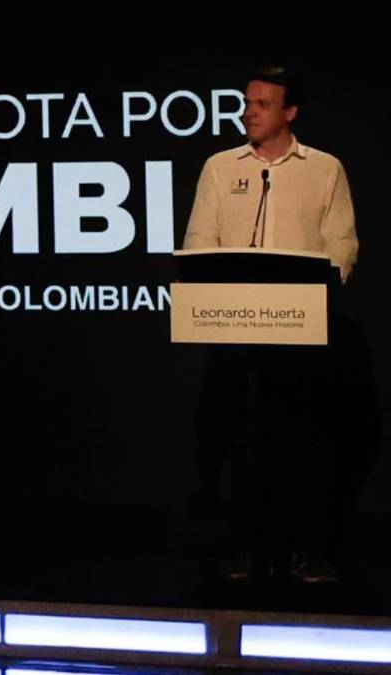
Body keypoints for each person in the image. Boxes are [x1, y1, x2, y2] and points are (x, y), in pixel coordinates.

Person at [183, 66, 358, 584]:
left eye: (261, 104)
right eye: (246, 102)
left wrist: (320, 289)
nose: (249, 112)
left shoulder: (324, 168)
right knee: (242, 441)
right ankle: (247, 548)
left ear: (290, 112)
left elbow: (342, 241)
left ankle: (306, 550)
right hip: (238, 330)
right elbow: (200, 238)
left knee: (306, 442)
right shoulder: (220, 167)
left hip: (302, 330)